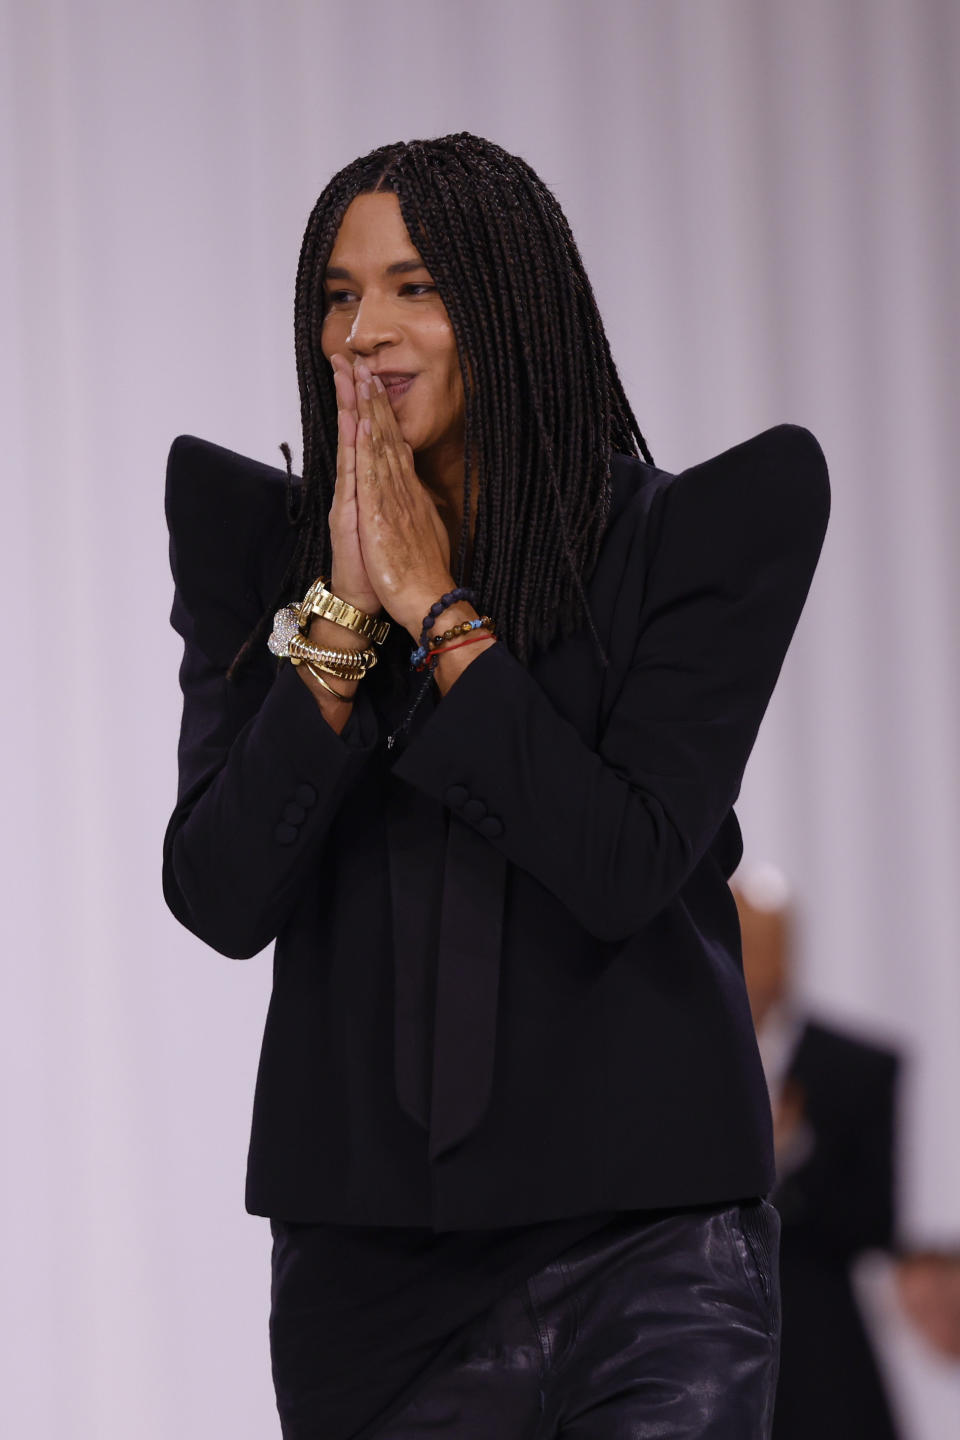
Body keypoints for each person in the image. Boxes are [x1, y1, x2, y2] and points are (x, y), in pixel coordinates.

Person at [163, 133, 830, 1439]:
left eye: (416, 286)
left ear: (513, 309)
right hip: (370, 1285)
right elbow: (221, 889)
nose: (366, 330)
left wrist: (439, 607)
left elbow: (624, 861)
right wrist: (349, 616)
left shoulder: (699, 535)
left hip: (651, 1254)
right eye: (338, 294)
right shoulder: (264, 550)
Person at [732, 866, 902, 1440]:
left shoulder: (856, 1068)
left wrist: (790, 1165)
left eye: (765, 939)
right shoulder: (677, 1066)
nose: (753, 958)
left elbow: (875, 1220)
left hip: (821, 1347)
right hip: (709, 1337)